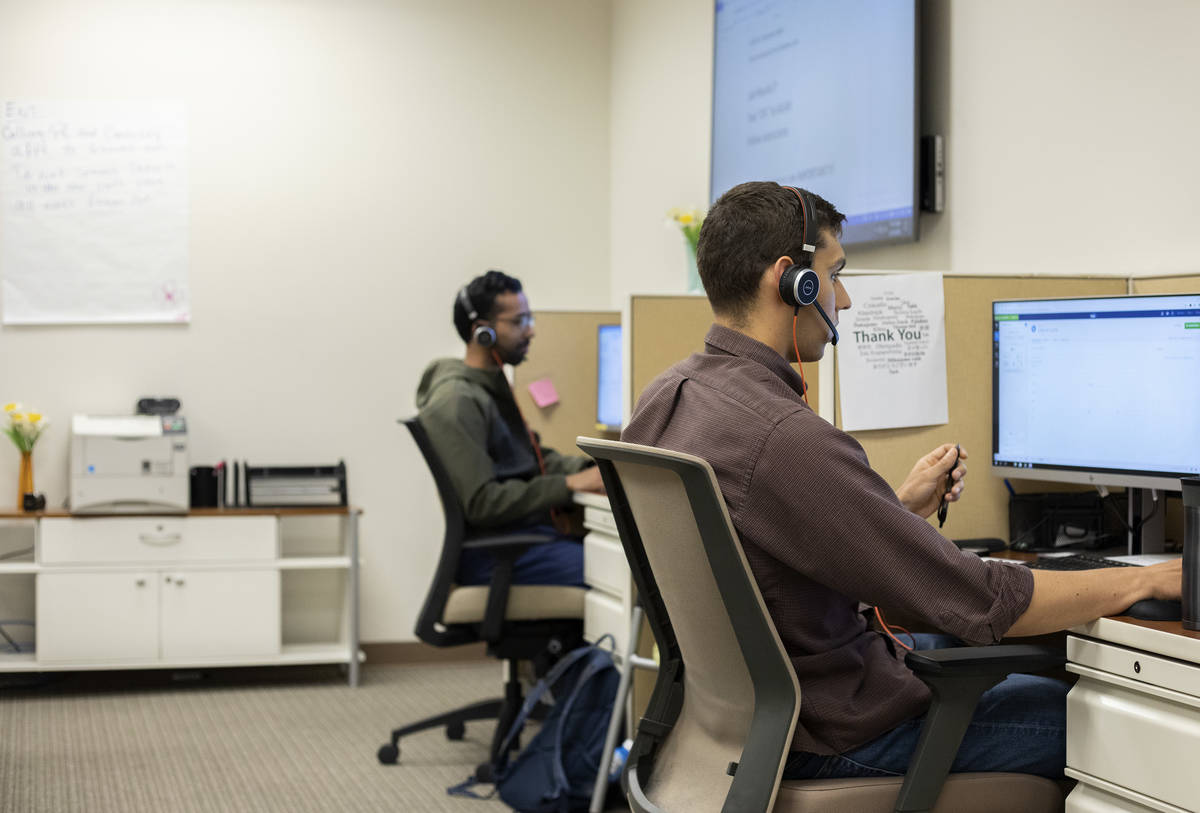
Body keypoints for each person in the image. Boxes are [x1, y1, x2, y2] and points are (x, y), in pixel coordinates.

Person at [621, 181, 1181, 780]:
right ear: (790, 280)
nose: (845, 300)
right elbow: (982, 603)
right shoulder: (782, 435)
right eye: (834, 276)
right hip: (834, 731)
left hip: (742, 726)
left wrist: (897, 511)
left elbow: (770, 557)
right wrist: (1142, 579)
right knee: (1097, 714)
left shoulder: (670, 397)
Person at [416, 269, 604, 588]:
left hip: (525, 538)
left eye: (529, 319)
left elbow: (532, 459)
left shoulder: (488, 388)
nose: (530, 332)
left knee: (622, 558)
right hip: (498, 554)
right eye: (518, 322)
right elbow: (482, 502)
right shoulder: (457, 401)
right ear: (482, 333)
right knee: (622, 572)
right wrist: (570, 484)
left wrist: (594, 469)